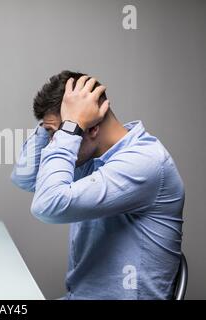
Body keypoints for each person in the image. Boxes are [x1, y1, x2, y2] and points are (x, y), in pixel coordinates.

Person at [11, 70, 185, 299]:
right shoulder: (89, 156)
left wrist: (69, 127)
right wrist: (49, 126)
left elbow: (47, 205)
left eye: (58, 133)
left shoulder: (144, 162)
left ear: (92, 127)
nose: (56, 141)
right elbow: (24, 177)